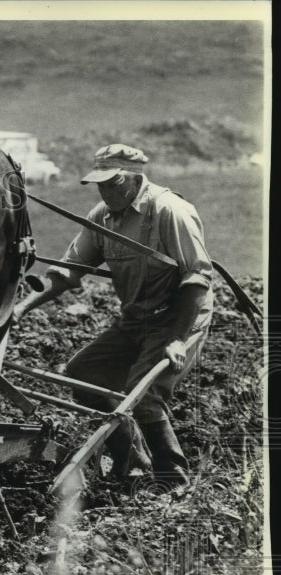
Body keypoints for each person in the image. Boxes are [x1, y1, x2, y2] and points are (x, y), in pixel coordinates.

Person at [14, 144, 214, 489]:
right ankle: (132, 457)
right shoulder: (101, 217)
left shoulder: (169, 211)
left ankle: (174, 485)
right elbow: (66, 272)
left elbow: (197, 278)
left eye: (113, 183)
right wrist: (20, 309)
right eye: (100, 184)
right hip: (136, 318)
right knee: (83, 374)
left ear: (135, 178)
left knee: (145, 393)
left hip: (179, 316)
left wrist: (178, 339)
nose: (106, 192)